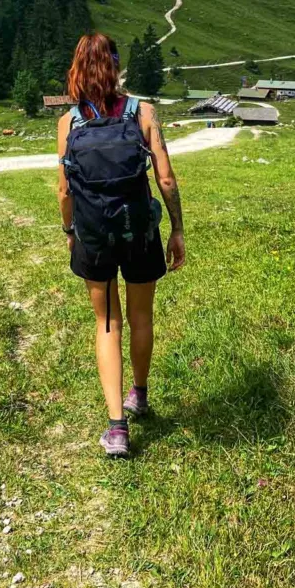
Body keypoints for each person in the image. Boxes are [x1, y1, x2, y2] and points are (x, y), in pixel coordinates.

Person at [57, 33, 186, 458]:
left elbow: (64, 191)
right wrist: (178, 229)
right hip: (139, 232)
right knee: (141, 316)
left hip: (94, 236)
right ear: (116, 66)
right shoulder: (142, 113)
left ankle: (116, 428)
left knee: (107, 323)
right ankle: (141, 394)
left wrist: (70, 231)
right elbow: (165, 179)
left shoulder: (69, 123)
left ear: (76, 69)